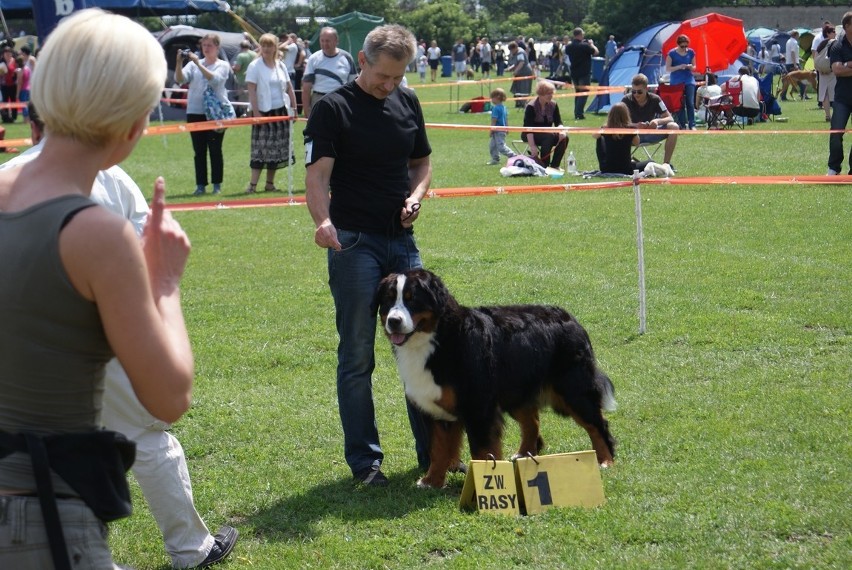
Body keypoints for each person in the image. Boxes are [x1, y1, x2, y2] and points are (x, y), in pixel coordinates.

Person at [2, 100, 238, 569]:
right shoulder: (106, 178)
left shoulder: (10, 178)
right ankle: (190, 549)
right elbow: (146, 260)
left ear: (32, 127)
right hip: (101, 332)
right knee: (148, 436)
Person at [0, 9, 194, 568]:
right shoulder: (95, 231)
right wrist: (163, 281)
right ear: (134, 124)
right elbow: (168, 396)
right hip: (39, 518)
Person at [304, 23, 433, 486]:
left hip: (402, 242)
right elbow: (317, 178)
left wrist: (418, 193)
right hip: (353, 242)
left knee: (420, 348)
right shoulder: (332, 109)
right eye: (383, 77)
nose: (390, 86)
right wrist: (322, 221)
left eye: (398, 78)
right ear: (362, 61)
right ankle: (366, 463)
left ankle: (434, 457)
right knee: (358, 353)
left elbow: (421, 162)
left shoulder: (408, 101)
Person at [175, 33, 231, 196]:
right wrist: (179, 63)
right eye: (204, 45)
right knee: (199, 151)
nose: (206, 48)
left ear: (217, 48)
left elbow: (215, 80)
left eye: (209, 45)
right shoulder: (193, 65)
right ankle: (200, 185)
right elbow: (180, 79)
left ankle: (216, 184)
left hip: (216, 114)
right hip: (195, 111)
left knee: (215, 149)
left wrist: (198, 63)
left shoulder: (222, 65)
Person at [245, 33, 298, 194]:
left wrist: (294, 109)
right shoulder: (255, 66)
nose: (267, 48)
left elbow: (289, 87)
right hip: (263, 112)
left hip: (281, 111)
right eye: (264, 45)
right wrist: (256, 113)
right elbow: (252, 91)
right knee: (261, 149)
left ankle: (270, 184)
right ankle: (252, 186)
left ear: (276, 47)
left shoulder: (280, 65)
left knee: (276, 149)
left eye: (270, 45)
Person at [622, 73, 680, 166]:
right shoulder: (626, 100)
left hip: (650, 133)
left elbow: (670, 118)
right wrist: (635, 125)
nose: (636, 94)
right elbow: (619, 122)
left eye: (639, 92)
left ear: (646, 89)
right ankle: (624, 163)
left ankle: (666, 165)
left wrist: (657, 121)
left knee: (674, 126)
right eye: (633, 91)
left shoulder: (655, 99)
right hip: (632, 136)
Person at [302, 27, 357, 117]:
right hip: (319, 101)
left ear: (336, 41)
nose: (324, 44)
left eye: (327, 41)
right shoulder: (313, 58)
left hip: (341, 100)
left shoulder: (347, 58)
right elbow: (306, 88)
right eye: (322, 40)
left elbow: (354, 86)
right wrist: (307, 110)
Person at [522, 80, 568, 169]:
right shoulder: (531, 106)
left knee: (565, 137)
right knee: (549, 136)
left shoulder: (553, 105)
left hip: (548, 133)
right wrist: (532, 146)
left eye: (552, 93)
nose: (551, 96)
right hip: (530, 134)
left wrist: (561, 131)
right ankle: (544, 166)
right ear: (540, 94)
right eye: (548, 93)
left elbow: (558, 122)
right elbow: (528, 128)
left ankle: (555, 165)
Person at [827, 11, 852, 175]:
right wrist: (844, 66)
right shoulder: (837, 45)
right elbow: (836, 69)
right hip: (843, 98)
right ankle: (834, 168)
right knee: (836, 133)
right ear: (847, 26)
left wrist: (848, 65)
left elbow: (842, 68)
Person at [593, 102, 648, 175]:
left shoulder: (605, 129)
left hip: (606, 168)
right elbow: (637, 143)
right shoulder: (631, 129)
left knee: (599, 138)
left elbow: (594, 135)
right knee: (650, 162)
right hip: (625, 169)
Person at [563, 27, 598, 120]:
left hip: (574, 72)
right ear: (580, 35)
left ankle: (577, 112)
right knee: (584, 93)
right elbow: (596, 52)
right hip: (584, 72)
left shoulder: (569, 47)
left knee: (578, 93)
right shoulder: (585, 46)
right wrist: (592, 44)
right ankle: (579, 113)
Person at [666, 34, 697, 130]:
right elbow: (668, 68)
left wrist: (691, 67)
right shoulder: (671, 53)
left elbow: (695, 66)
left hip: (689, 79)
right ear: (678, 45)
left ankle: (692, 124)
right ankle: (682, 125)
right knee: (680, 104)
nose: (684, 48)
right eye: (682, 46)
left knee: (690, 102)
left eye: (686, 46)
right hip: (676, 80)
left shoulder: (691, 52)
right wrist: (679, 67)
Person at [487, 87, 517, 165]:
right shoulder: (504, 108)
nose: (491, 100)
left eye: (492, 98)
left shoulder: (496, 108)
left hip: (498, 131)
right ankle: (495, 159)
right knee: (492, 146)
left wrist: (491, 130)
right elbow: (506, 119)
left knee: (501, 147)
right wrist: (507, 128)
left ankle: (513, 156)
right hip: (501, 130)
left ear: (497, 97)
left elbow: (494, 120)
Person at [816, 27, 837, 122]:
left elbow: (816, 57)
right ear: (828, 33)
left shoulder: (821, 43)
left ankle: (827, 115)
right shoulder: (834, 43)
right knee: (835, 93)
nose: (835, 33)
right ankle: (836, 115)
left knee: (825, 94)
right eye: (833, 31)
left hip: (822, 71)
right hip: (832, 71)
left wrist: (819, 68)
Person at [231, 40, 258, 116]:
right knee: (252, 96)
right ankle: (252, 111)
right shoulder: (255, 54)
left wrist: (233, 67)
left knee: (243, 98)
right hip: (253, 80)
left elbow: (238, 68)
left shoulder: (241, 55)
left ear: (240, 47)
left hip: (242, 80)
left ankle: (244, 113)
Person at [506, 41, 533, 107]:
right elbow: (516, 63)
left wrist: (515, 71)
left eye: (511, 50)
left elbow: (521, 63)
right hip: (520, 73)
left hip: (525, 73)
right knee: (517, 88)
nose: (511, 52)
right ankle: (518, 103)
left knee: (523, 89)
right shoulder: (517, 52)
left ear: (515, 48)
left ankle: (524, 103)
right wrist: (510, 68)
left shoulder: (520, 53)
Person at [780, 31, 801, 101]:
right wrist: (795, 64)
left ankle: (783, 95)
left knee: (787, 80)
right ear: (795, 35)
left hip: (788, 63)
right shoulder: (794, 42)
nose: (799, 36)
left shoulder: (788, 41)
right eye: (798, 35)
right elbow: (792, 52)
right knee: (801, 78)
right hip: (793, 63)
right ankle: (803, 94)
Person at [0, 47, 17, 123]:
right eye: (6, 53)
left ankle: (14, 117)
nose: (8, 55)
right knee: (5, 101)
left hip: (13, 85)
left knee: (13, 100)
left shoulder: (14, 61)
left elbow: (17, 72)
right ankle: (6, 118)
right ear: (3, 55)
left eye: (9, 53)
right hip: (4, 85)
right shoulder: (1, 62)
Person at [14, 54, 30, 125]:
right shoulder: (27, 68)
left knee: (24, 105)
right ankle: (28, 119)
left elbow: (19, 83)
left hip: (23, 89)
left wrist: (17, 94)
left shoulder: (20, 71)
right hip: (28, 88)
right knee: (27, 104)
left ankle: (25, 120)